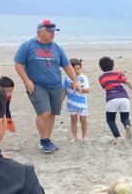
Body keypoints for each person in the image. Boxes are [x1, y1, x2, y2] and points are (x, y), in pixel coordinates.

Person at [14, 19, 81, 153]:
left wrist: (75, 80)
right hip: (37, 85)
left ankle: (47, 140)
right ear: (40, 31)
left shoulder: (57, 48)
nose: (52, 34)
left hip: (56, 85)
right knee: (44, 112)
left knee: (52, 114)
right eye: (49, 31)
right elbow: (18, 64)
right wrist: (26, 81)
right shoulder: (27, 46)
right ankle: (43, 140)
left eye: (54, 31)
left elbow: (67, 65)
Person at [98, 56, 132, 145]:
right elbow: (127, 81)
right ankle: (127, 125)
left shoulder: (101, 78)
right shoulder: (119, 73)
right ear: (113, 65)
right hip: (124, 98)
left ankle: (118, 137)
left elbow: (104, 87)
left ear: (101, 67)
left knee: (110, 120)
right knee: (125, 118)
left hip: (112, 99)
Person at [62, 58, 90, 142]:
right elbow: (64, 91)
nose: (77, 71)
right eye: (74, 69)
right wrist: (60, 102)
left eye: (78, 68)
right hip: (71, 103)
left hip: (82, 103)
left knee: (83, 120)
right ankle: (75, 136)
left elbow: (87, 90)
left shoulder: (83, 78)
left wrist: (76, 87)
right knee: (73, 120)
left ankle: (84, 136)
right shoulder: (67, 79)